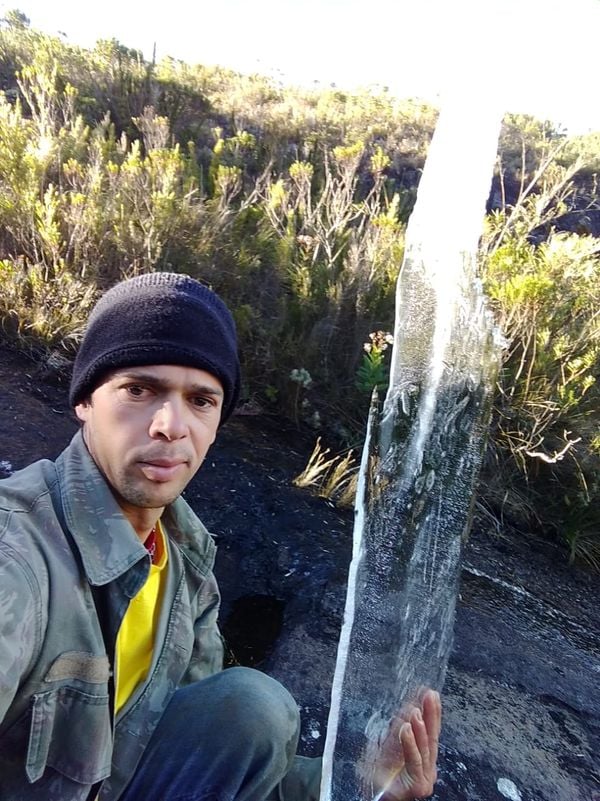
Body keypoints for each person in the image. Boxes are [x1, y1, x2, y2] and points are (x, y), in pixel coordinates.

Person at [0, 272, 441, 801]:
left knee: (250, 711)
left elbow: (206, 767)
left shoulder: (184, 563)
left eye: (201, 400)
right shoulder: (18, 556)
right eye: (139, 390)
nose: (170, 424)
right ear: (85, 400)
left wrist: (362, 788)